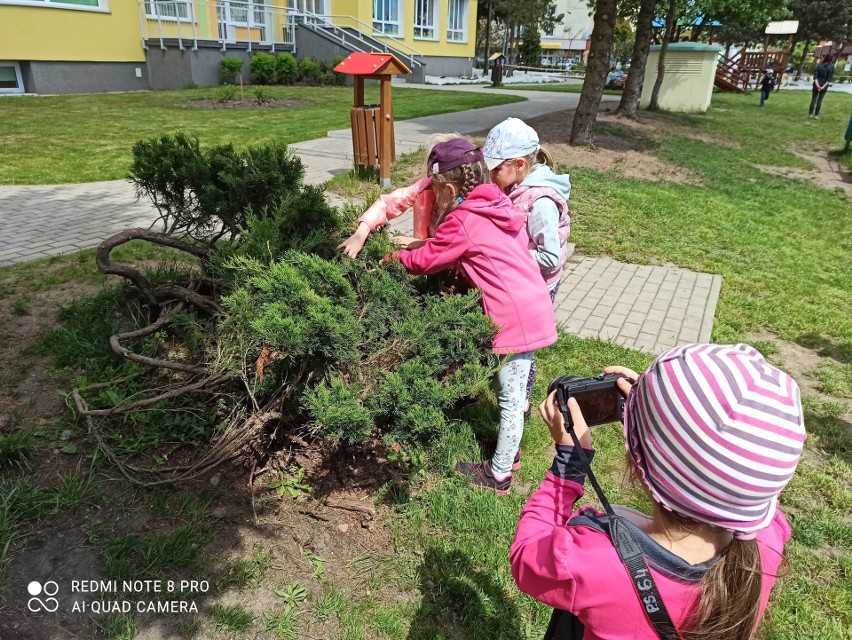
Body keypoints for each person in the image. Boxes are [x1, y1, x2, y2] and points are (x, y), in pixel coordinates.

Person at [511, 343, 806, 640]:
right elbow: (743, 465)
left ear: (637, 460)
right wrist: (666, 411)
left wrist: (569, 465)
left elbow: (528, 557)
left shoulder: (595, 565)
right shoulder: (766, 546)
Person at [387, 138, 558, 494]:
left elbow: (427, 261)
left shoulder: (463, 219)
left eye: (436, 195)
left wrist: (395, 258)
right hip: (530, 304)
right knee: (506, 389)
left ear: (449, 189)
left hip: (514, 316)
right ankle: (508, 455)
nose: (434, 202)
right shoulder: (494, 201)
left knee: (510, 400)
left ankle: (500, 474)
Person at [483, 117, 571, 417]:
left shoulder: (540, 201)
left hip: (538, 286)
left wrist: (508, 253)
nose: (490, 175)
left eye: (495, 169)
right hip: (521, 280)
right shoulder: (518, 188)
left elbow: (550, 257)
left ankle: (521, 405)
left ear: (519, 164)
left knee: (524, 348)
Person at [337, 133, 466, 258]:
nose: (432, 189)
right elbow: (389, 203)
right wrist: (361, 233)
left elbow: (456, 245)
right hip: (427, 260)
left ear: (449, 188)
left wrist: (420, 244)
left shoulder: (472, 206)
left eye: (434, 185)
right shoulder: (428, 188)